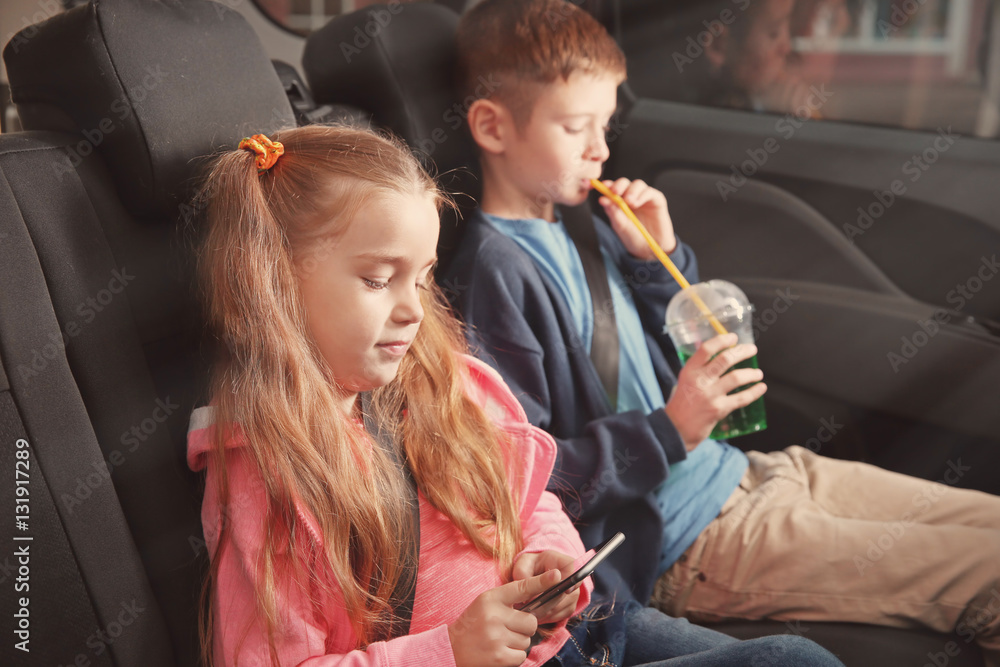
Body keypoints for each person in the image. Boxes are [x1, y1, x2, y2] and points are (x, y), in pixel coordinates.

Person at [442, 1, 1000, 664]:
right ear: (492, 127)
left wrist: (658, 256)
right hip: (693, 539)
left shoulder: (580, 219)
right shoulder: (492, 275)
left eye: (605, 124)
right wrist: (669, 431)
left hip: (751, 471)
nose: (601, 147)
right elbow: (521, 477)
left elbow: (672, 328)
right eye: (575, 127)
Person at [185, 124, 841, 666]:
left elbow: (527, 499)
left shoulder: (444, 382)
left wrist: (549, 560)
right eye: (379, 278)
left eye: (422, 278)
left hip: (575, 638)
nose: (414, 310)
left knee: (796, 658)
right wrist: (448, 650)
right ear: (273, 285)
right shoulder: (268, 472)